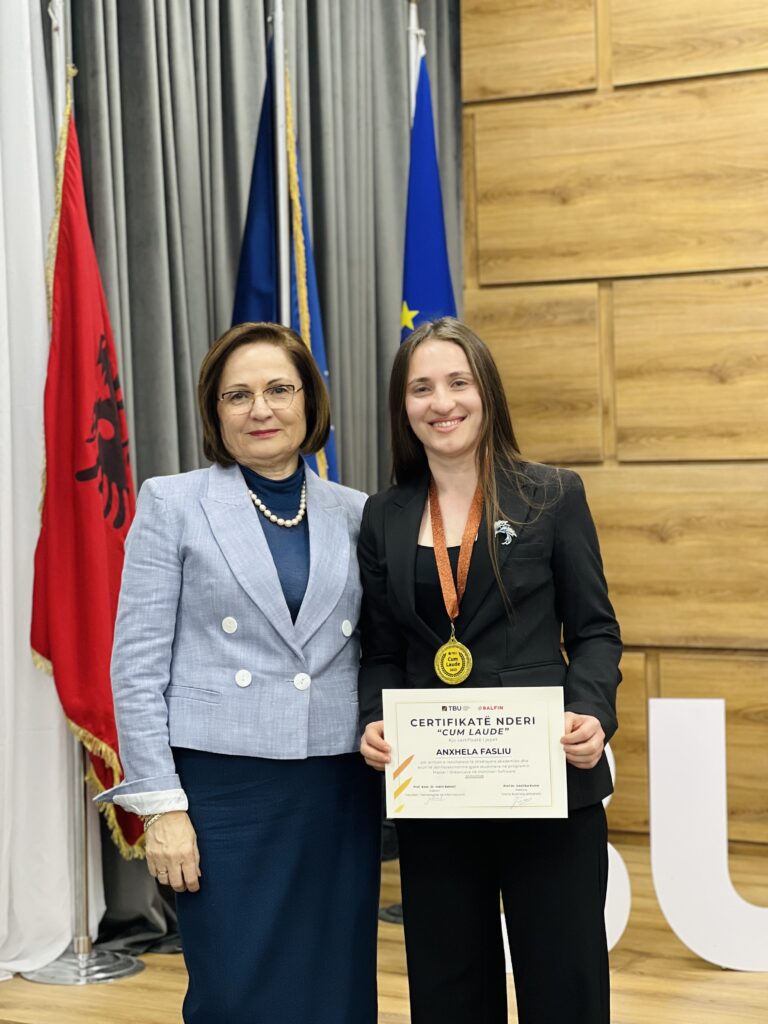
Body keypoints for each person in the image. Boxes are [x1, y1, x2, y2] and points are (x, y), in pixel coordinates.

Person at [98, 322, 380, 1024]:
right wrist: (161, 808)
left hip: (335, 788)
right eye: (238, 395)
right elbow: (136, 667)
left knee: (335, 986)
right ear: (215, 411)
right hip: (222, 792)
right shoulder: (172, 503)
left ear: (309, 401)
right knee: (235, 990)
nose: (261, 409)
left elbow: (379, 651)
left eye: (279, 389)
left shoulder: (358, 512)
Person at [358, 317, 622, 1024]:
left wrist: (592, 712)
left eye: (458, 382)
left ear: (488, 393)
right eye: (421, 388)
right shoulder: (382, 516)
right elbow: (380, 650)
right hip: (437, 791)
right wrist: (373, 720)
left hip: (547, 782)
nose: (441, 402)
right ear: (402, 405)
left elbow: (595, 631)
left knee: (563, 985)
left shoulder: (552, 495)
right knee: (448, 990)